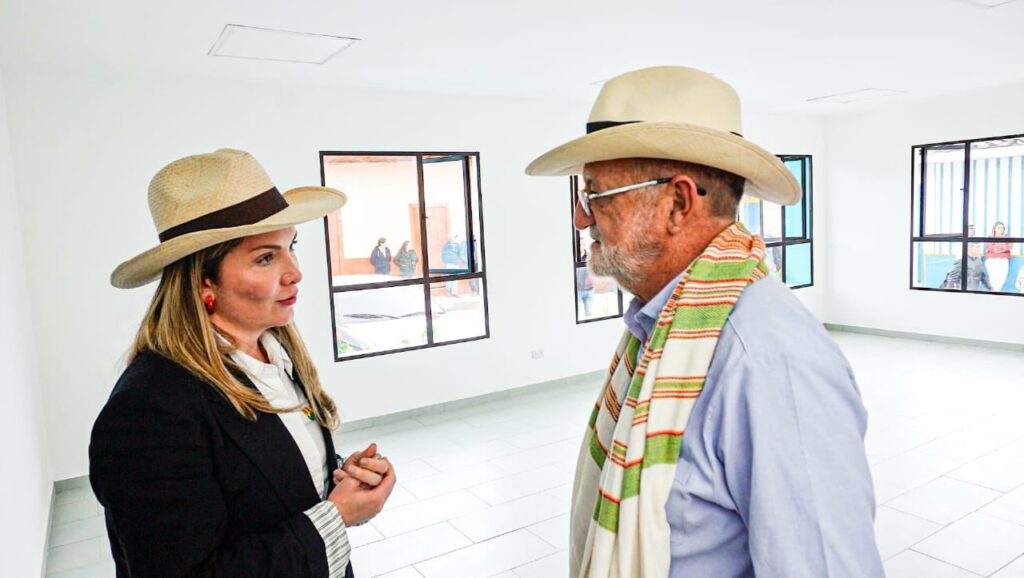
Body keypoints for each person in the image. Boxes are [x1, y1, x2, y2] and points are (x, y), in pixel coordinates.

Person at [526, 67, 883, 577]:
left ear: (677, 202)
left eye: (595, 196)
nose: (582, 218)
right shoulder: (663, 328)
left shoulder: (769, 363)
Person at [91, 149, 396, 577]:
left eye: (291, 247)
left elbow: (260, 476)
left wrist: (340, 482)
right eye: (265, 257)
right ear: (203, 281)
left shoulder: (275, 351)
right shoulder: (149, 409)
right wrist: (335, 516)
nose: (295, 272)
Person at [985, 221, 1011, 291]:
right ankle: (994, 292)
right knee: (993, 277)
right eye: (999, 228)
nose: (1001, 229)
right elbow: (989, 247)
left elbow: (1009, 247)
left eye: (1002, 228)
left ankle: (996, 291)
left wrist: (997, 247)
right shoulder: (990, 237)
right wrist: (1002, 246)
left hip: (1003, 259)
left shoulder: (1007, 237)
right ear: (994, 229)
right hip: (991, 259)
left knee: (1002, 277)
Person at [576, 249, 596, 317]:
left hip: (590, 290)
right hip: (578, 291)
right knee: (576, 315)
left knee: (589, 315)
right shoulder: (574, 256)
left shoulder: (590, 255)